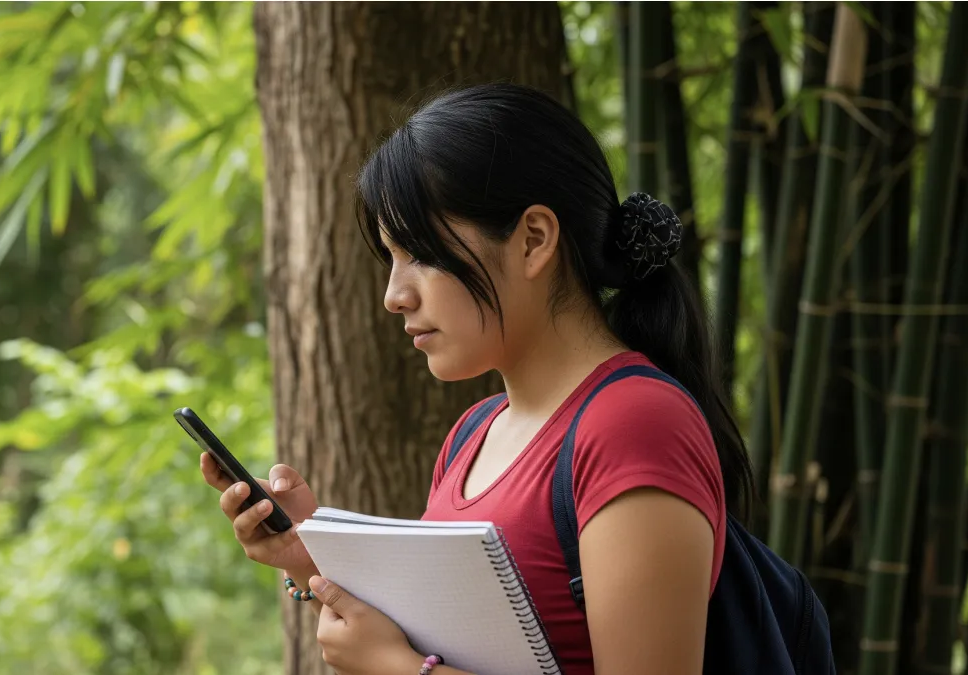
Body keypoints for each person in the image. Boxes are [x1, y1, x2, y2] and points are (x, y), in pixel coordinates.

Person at [200, 82, 753, 675]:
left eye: (420, 254)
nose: (394, 295)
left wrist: (401, 670)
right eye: (391, 259)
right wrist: (311, 562)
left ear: (534, 240)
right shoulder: (474, 435)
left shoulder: (635, 424)